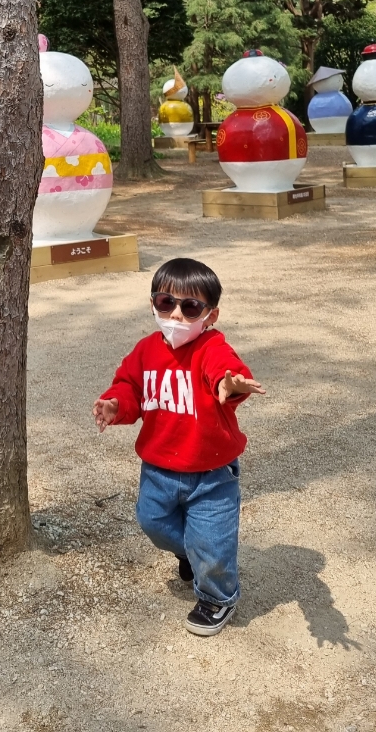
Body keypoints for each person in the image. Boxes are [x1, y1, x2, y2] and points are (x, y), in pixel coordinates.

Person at [93, 257, 265, 636]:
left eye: (190, 307)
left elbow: (226, 370)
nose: (176, 314)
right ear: (153, 304)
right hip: (157, 470)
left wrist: (230, 385)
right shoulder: (145, 350)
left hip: (211, 474)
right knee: (151, 522)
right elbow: (129, 387)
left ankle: (218, 596)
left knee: (212, 542)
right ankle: (191, 552)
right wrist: (116, 404)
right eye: (165, 302)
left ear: (211, 314)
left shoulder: (211, 346)